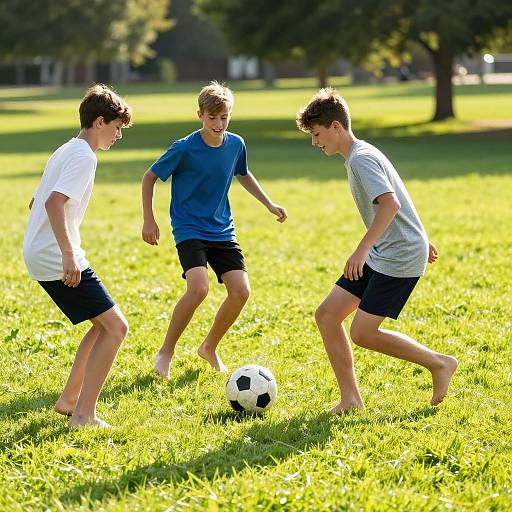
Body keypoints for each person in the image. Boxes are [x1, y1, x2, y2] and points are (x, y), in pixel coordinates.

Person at [296, 88, 457, 414]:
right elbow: (398, 194)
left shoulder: (362, 160)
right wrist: (420, 235)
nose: (314, 142)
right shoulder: (362, 154)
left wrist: (361, 250)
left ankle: (439, 364)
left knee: (363, 332)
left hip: (397, 257)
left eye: (316, 134)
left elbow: (390, 202)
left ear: (336, 127)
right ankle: (351, 400)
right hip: (387, 250)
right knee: (327, 316)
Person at [142, 81, 287, 379]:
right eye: (212, 118)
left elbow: (242, 174)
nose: (219, 124)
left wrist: (269, 204)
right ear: (200, 115)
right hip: (189, 227)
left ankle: (209, 347)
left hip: (222, 230)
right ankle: (165, 352)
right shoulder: (184, 148)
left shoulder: (236, 144)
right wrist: (149, 219)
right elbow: (149, 178)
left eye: (224, 117)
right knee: (198, 288)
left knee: (241, 291)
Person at [23, 84, 132, 427]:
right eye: (116, 128)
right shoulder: (84, 155)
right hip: (56, 256)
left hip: (41, 252)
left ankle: (70, 400)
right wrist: (69, 255)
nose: (117, 136)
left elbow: (37, 200)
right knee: (116, 328)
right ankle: (84, 415)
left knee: (103, 326)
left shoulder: (66, 149)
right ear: (100, 122)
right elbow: (54, 202)